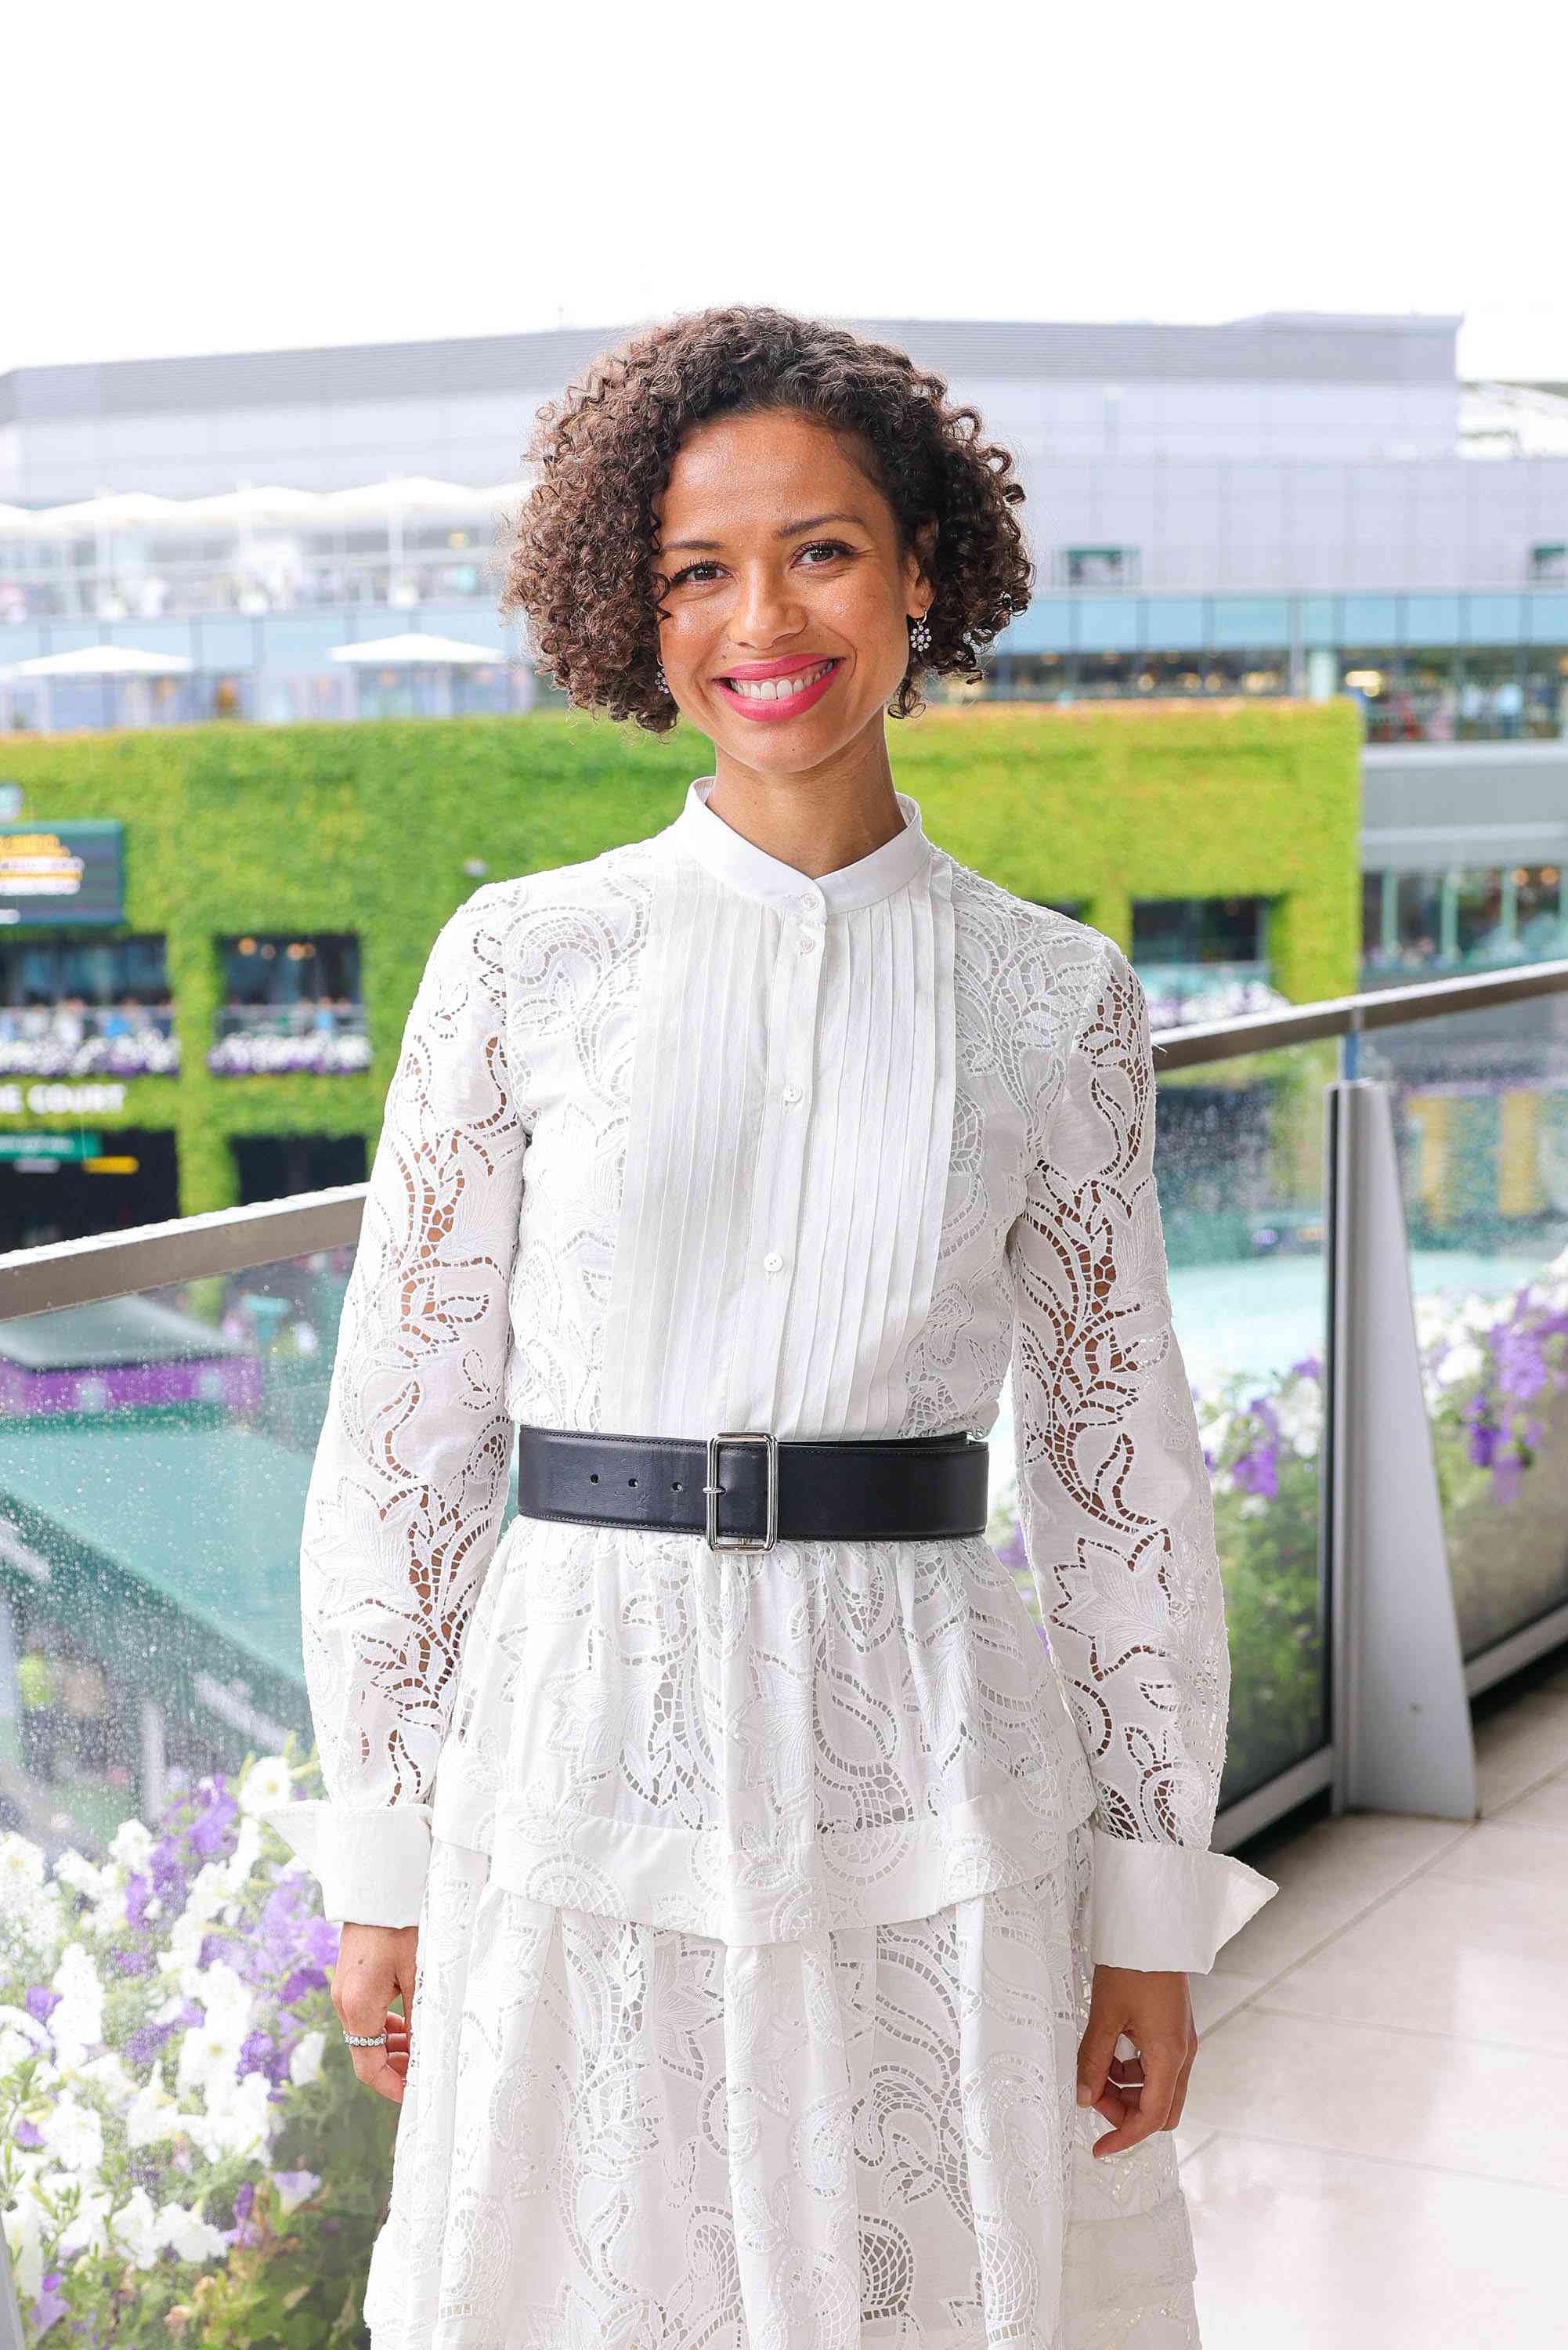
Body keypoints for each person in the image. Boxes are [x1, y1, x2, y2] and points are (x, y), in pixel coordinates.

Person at [257, 306, 1278, 2346]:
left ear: (920, 568)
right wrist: (379, 1856)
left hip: (922, 1732)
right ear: (631, 615)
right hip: (576, 1731)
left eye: (816, 548)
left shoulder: (1050, 996)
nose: (762, 617)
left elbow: (1115, 1477)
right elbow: (404, 1432)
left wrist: (1151, 1916)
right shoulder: (522, 961)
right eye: (695, 570)